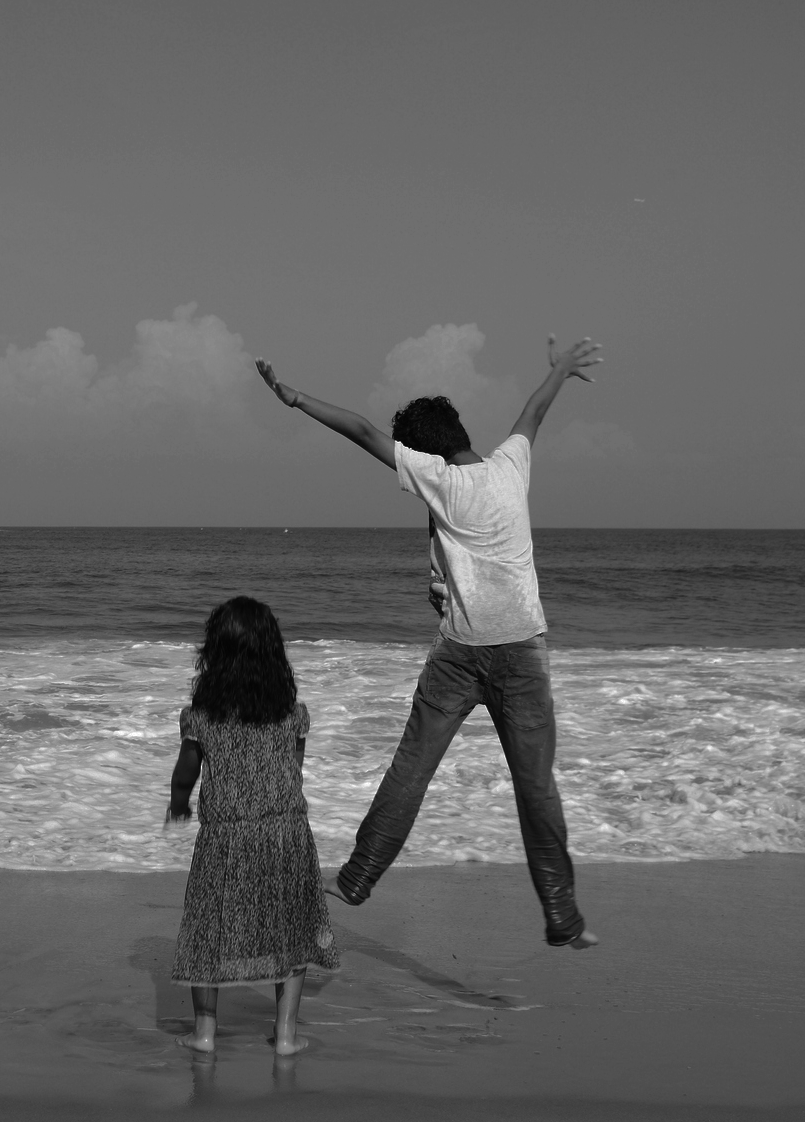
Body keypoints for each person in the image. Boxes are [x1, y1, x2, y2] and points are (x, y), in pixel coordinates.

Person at [254, 336, 604, 950]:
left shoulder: (436, 479)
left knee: (410, 771)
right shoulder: (510, 467)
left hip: (458, 654)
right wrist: (559, 371)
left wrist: (294, 399)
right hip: (522, 651)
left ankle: (358, 878)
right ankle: (561, 916)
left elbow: (361, 430)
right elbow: (533, 411)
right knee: (537, 787)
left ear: (419, 449)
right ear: (461, 430)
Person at [165, 596, 340, 1056]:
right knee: (291, 927)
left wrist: (178, 803)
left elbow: (186, 771)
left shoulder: (202, 715)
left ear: (214, 654)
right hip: (285, 831)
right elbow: (293, 769)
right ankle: (285, 1036)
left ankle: (204, 1033)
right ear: (273, 652)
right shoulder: (291, 712)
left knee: (209, 928)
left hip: (225, 833)